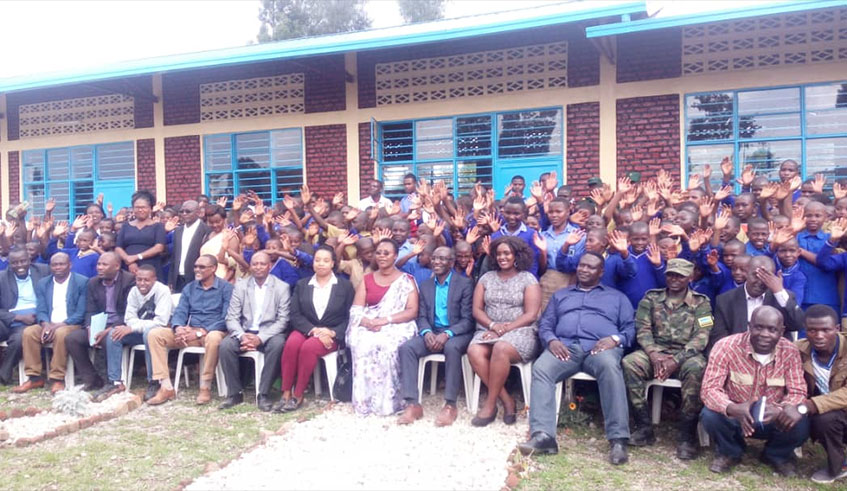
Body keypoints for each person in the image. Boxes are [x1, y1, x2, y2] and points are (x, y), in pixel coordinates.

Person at [519, 252, 634, 465]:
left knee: (610, 368)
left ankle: (618, 440)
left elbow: (630, 329)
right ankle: (544, 436)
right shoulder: (562, 295)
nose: (584, 270)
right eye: (581, 266)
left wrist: (615, 339)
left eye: (590, 267)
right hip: (565, 347)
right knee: (542, 368)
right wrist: (551, 340)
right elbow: (545, 324)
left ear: (601, 272)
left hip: (600, 349)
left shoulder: (617, 297)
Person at [700, 305, 809, 476]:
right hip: (737, 415)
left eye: (772, 329)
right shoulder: (726, 346)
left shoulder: (790, 351)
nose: (764, 334)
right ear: (749, 326)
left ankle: (776, 455)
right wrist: (731, 408)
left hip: (773, 417)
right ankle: (730, 452)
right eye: (759, 327)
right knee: (710, 415)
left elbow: (798, 391)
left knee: (800, 420)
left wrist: (781, 409)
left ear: (781, 331)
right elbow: (709, 389)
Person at [622, 258, 713, 460]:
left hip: (685, 355)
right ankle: (644, 427)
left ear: (690, 277)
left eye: (680, 275)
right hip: (655, 352)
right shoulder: (651, 299)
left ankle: (686, 435)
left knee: (698, 368)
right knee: (630, 363)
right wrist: (654, 355)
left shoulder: (702, 303)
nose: (674, 279)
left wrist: (676, 360)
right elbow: (643, 330)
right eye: (671, 274)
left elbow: (702, 337)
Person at [467, 236, 541, 427]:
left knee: (500, 347)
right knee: (474, 350)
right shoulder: (486, 278)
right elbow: (477, 310)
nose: (502, 257)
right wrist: (492, 326)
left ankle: (490, 405)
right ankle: (507, 400)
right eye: (498, 253)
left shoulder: (528, 279)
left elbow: (531, 314)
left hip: (521, 331)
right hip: (489, 328)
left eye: (506, 253)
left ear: (516, 255)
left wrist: (504, 330)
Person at [397, 246, 474, 426]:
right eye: (434, 258)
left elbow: (468, 320)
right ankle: (412, 404)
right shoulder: (425, 286)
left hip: (457, 332)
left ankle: (450, 405)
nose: (437, 262)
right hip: (432, 332)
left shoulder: (464, 284)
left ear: (452, 262)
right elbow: (421, 315)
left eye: (442, 259)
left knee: (452, 347)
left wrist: (448, 333)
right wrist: (426, 332)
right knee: (407, 348)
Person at [146, 254, 233, 405]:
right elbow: (180, 311)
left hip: (212, 332)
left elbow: (227, 318)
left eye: (202, 267)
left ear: (213, 269)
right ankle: (166, 387)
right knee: (155, 334)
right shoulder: (190, 288)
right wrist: (179, 328)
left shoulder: (226, 288)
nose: (197, 270)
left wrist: (201, 331)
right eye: (195, 267)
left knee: (213, 338)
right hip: (190, 333)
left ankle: (205, 387)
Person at [276, 246, 354, 412]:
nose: (321, 264)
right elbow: (295, 314)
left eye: (326, 260)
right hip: (307, 329)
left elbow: (350, 316)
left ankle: (298, 395)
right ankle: (285, 393)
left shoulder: (344, 286)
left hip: (331, 333)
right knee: (291, 344)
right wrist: (314, 331)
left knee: (309, 347)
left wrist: (333, 332)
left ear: (333, 263)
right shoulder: (303, 284)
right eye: (317, 260)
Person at [346, 238, 419, 416]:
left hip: (396, 324)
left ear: (395, 256)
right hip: (371, 323)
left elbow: (411, 311)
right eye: (378, 252)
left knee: (386, 345)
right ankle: (365, 401)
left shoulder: (406, 280)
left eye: (386, 253)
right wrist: (367, 322)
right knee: (362, 342)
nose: (381, 256)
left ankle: (389, 402)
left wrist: (385, 320)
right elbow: (356, 310)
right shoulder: (367, 279)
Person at [218, 251, 290, 411]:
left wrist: (261, 338)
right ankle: (235, 393)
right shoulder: (241, 285)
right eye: (255, 264)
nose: (258, 267)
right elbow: (231, 317)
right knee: (225, 346)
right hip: (245, 331)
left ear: (269, 266)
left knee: (278, 344)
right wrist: (242, 336)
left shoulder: (281, 287)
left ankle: (263, 393)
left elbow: (283, 320)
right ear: (250, 266)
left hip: (269, 333)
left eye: (262, 264)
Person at [14, 253, 87, 393]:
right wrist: (45, 324)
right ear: (50, 266)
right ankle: (34, 378)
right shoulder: (44, 283)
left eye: (61, 264)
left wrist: (59, 325)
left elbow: (81, 312)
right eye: (54, 265)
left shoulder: (81, 282)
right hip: (49, 323)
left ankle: (57, 379)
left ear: (69, 265)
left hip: (71, 324)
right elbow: (41, 309)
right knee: (29, 332)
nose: (57, 267)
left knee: (61, 333)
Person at [64, 252, 136, 394]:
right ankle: (91, 378)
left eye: (104, 264)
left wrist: (109, 329)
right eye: (98, 264)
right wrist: (90, 327)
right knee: (72, 338)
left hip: (120, 325)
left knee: (108, 338)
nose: (100, 268)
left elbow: (129, 313)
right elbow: (90, 310)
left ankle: (111, 381)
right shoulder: (93, 282)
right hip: (99, 325)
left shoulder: (129, 281)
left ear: (117, 266)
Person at [102, 264, 172, 402]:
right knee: (114, 334)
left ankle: (154, 381)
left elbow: (161, 321)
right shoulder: (134, 291)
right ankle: (115, 382)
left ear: (154, 279)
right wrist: (130, 327)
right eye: (139, 279)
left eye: (146, 280)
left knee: (149, 334)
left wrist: (132, 328)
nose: (142, 283)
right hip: (139, 330)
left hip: (160, 332)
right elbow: (129, 318)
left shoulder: (162, 291)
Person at [795, 305, 847, 484]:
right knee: (823, 420)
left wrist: (810, 405)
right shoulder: (799, 350)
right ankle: (839, 466)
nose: (819, 336)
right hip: (832, 413)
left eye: (826, 330)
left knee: (819, 413)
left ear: (837, 329)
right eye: (812, 330)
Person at [709, 255, 804, 351]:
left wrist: (779, 292)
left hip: (775, 355)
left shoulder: (782, 297)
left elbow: (798, 325)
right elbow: (719, 337)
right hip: (737, 355)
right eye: (755, 275)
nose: (760, 281)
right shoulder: (725, 300)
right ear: (747, 273)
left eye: (766, 276)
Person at [0, 248, 50, 384]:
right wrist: (19, 318)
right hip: (9, 319)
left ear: (29, 260)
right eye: (15, 263)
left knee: (18, 339)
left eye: (23, 261)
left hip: (34, 320)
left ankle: (3, 375)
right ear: (9, 264)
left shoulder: (43, 271)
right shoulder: (2, 277)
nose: (19, 265)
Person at [115, 190, 167, 282]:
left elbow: (159, 247)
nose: (140, 210)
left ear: (150, 209)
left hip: (151, 267)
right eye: (137, 207)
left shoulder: (158, 226)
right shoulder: (125, 226)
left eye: (143, 207)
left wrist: (137, 257)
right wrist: (129, 260)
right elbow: (118, 247)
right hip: (128, 269)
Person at [169, 200, 210, 293]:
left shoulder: (206, 231)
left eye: (188, 211)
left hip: (196, 278)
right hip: (178, 279)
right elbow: (174, 257)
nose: (184, 214)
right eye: (182, 211)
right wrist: (171, 280)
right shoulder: (178, 231)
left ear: (198, 213)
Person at [200, 205, 240, 281]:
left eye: (218, 222)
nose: (214, 225)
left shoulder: (230, 236)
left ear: (224, 220)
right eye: (211, 222)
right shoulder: (207, 235)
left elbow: (234, 265)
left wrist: (222, 283)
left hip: (223, 280)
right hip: (206, 279)